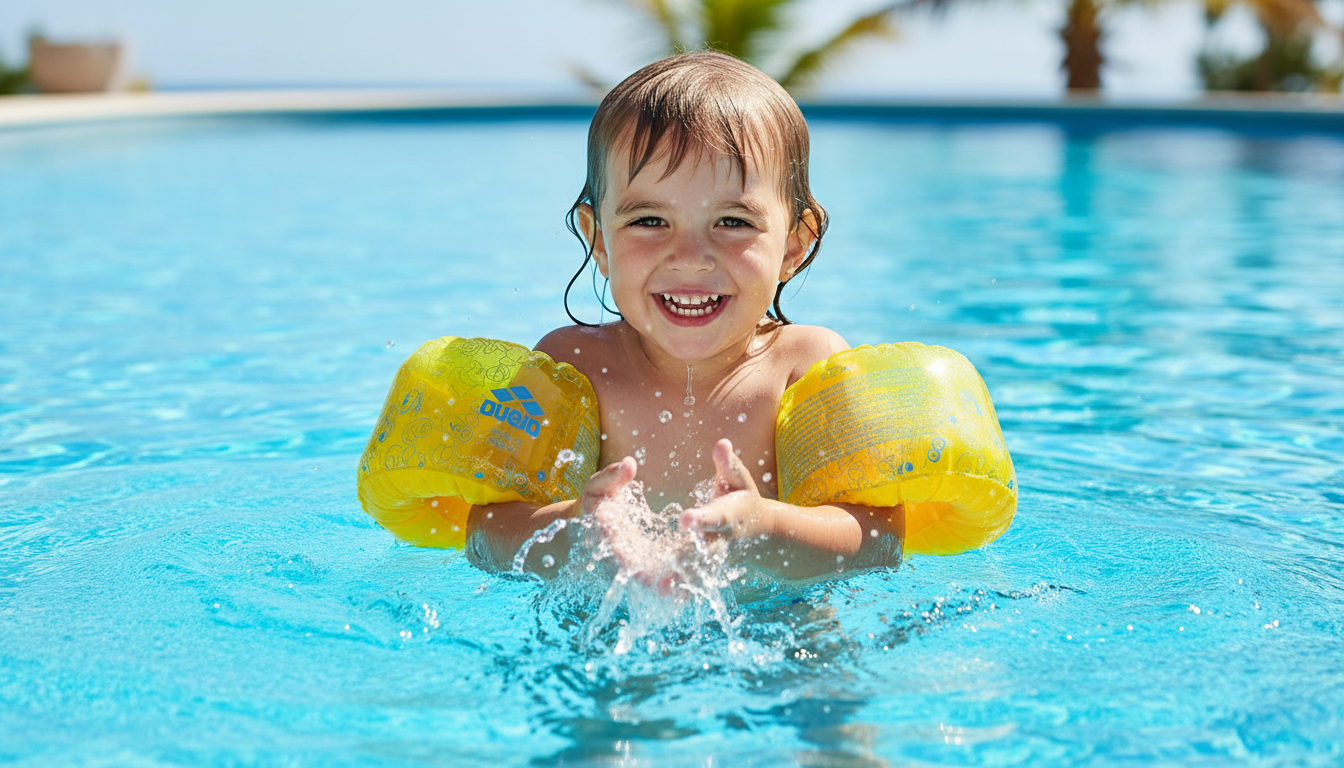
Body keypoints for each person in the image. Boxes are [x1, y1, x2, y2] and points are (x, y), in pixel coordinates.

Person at [466, 51, 902, 583]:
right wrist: (577, 531)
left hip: (783, 630)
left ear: (794, 242)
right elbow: (485, 533)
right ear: (598, 239)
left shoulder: (805, 367)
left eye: (732, 221)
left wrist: (764, 528)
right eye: (650, 220)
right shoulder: (570, 364)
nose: (691, 256)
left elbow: (881, 539)